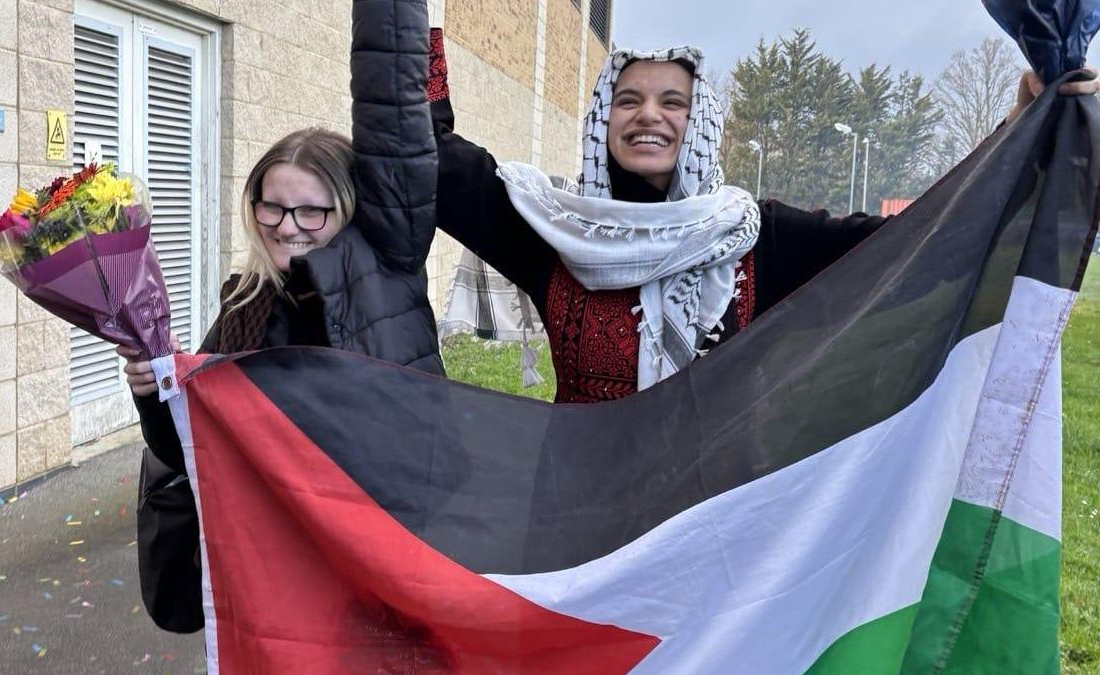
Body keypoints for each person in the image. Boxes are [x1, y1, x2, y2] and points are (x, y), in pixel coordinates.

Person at [428, 33, 1099, 404]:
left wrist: (1020, 131)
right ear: (603, 120)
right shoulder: (557, 231)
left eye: (673, 101)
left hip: (714, 534)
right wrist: (406, 32)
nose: (648, 114)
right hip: (572, 530)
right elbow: (434, 163)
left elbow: (916, 242)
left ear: (701, 122)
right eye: (627, 100)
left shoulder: (755, 237)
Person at [122, 3, 439, 631]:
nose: (287, 227)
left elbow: (396, 126)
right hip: (269, 579)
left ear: (350, 212)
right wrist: (153, 393)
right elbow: (188, 450)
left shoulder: (384, 277)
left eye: (311, 211)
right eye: (272, 207)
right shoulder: (243, 302)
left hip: (379, 568)